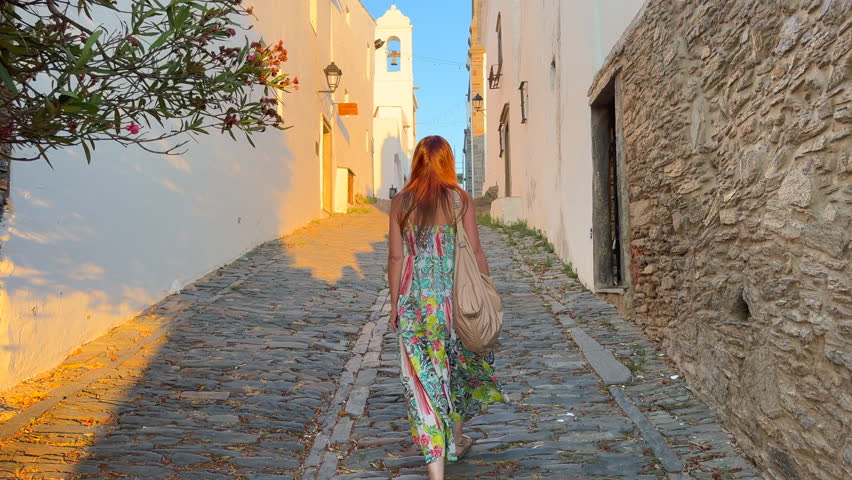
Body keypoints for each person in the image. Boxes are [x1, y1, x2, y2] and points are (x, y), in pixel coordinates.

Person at [387, 136, 505, 480]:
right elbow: (476, 251)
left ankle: (437, 468)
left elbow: (396, 257)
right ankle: (453, 438)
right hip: (452, 304)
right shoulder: (459, 199)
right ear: (448, 162)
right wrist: (486, 288)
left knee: (421, 380)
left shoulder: (400, 203)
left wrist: (395, 304)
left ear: (417, 162)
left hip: (414, 303)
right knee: (453, 369)